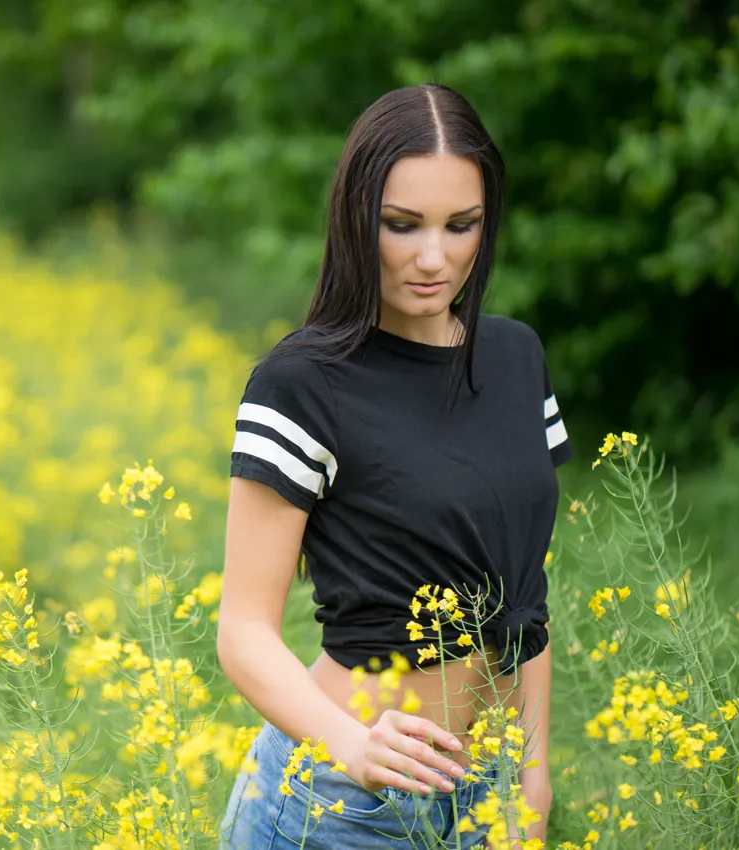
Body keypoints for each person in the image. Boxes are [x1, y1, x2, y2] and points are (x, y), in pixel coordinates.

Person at [216, 84, 574, 849]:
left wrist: (533, 773)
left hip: (490, 797)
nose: (434, 257)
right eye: (401, 225)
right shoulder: (301, 383)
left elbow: (526, 602)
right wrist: (353, 744)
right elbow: (242, 632)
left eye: (462, 225)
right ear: (356, 218)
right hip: (343, 802)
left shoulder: (517, 359)